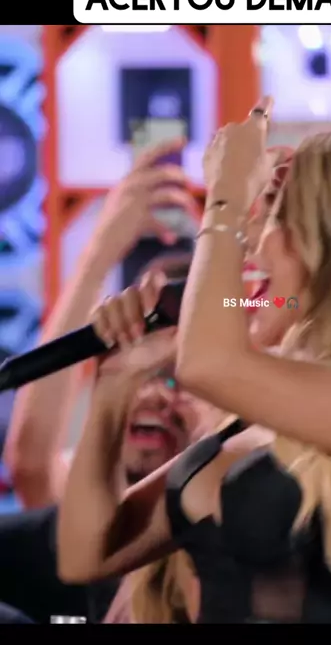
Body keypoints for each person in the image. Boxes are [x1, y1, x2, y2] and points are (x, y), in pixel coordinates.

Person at [57, 101, 331, 624]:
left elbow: (209, 363)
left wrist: (227, 201)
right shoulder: (252, 418)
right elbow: (88, 554)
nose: (252, 247)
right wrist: (116, 384)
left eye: (276, 217)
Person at [0, 138, 214, 624]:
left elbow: (277, 303)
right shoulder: (94, 506)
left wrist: (229, 247)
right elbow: (32, 463)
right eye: (143, 372)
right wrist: (99, 252)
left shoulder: (240, 493)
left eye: (177, 379)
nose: (155, 395)